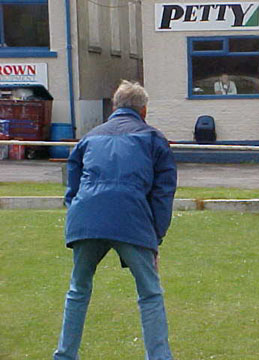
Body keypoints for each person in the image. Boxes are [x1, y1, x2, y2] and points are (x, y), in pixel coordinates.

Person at [53, 80, 177, 360]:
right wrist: (155, 239)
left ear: (114, 107)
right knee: (150, 293)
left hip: (86, 218)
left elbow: (72, 188)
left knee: (78, 290)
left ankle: (64, 355)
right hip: (131, 219)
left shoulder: (89, 137)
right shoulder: (154, 139)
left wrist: (78, 213)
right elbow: (163, 195)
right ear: (144, 110)